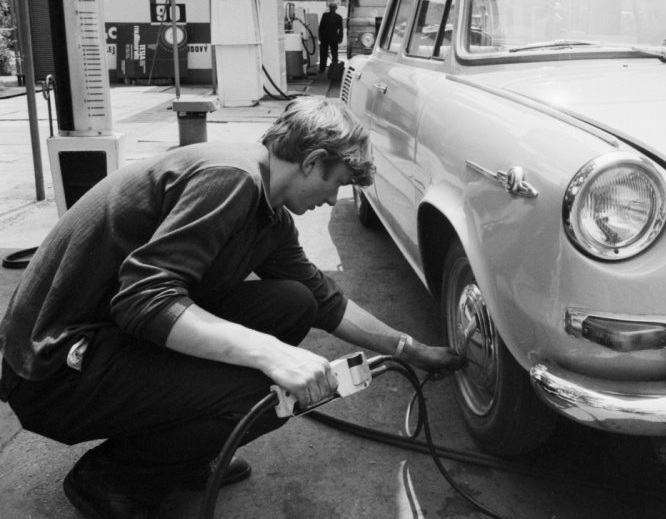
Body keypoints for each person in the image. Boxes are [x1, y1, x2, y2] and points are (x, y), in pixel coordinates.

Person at [0, 96, 460, 518]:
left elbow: (324, 300)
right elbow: (145, 298)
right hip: (50, 369)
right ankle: (111, 480)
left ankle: (179, 452)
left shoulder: (268, 213)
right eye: (335, 184)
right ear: (313, 161)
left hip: (104, 337)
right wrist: (271, 353)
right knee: (263, 392)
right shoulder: (229, 178)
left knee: (293, 303)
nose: (331, 201)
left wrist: (410, 349)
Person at [318, 2, 344, 78]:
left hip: (334, 37)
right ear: (329, 8)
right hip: (325, 37)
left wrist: (340, 38)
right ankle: (322, 68)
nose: (332, 9)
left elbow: (341, 29)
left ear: (336, 8)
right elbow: (321, 27)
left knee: (334, 53)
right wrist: (320, 36)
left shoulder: (339, 17)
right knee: (323, 53)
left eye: (333, 7)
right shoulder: (325, 15)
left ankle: (334, 69)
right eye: (331, 7)